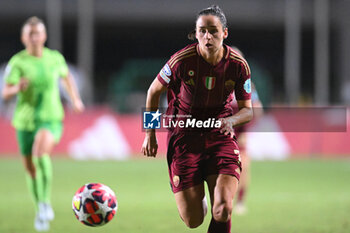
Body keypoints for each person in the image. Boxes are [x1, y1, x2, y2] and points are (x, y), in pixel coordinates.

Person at [141, 5, 253, 233]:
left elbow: (247, 110)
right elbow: (153, 91)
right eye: (202, 30)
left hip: (219, 136)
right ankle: (197, 199)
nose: (207, 36)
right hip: (184, 138)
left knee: (222, 209)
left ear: (225, 33)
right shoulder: (182, 60)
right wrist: (150, 134)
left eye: (213, 30)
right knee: (193, 220)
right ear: (196, 32)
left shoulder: (238, 66)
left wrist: (231, 121)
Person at [1, 16, 84, 232]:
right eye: (30, 34)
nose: (35, 37)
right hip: (25, 121)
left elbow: (67, 78)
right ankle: (40, 208)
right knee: (30, 168)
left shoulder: (54, 58)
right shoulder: (17, 62)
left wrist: (75, 99)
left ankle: (46, 202)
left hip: (51, 117)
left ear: (44, 36)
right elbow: (6, 92)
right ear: (23, 37)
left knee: (40, 152)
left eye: (38, 33)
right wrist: (17, 87)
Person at [227, 48, 263, 215]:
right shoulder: (217, 81)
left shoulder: (247, 85)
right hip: (220, 132)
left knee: (244, 166)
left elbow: (257, 109)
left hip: (240, 134)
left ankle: (240, 202)